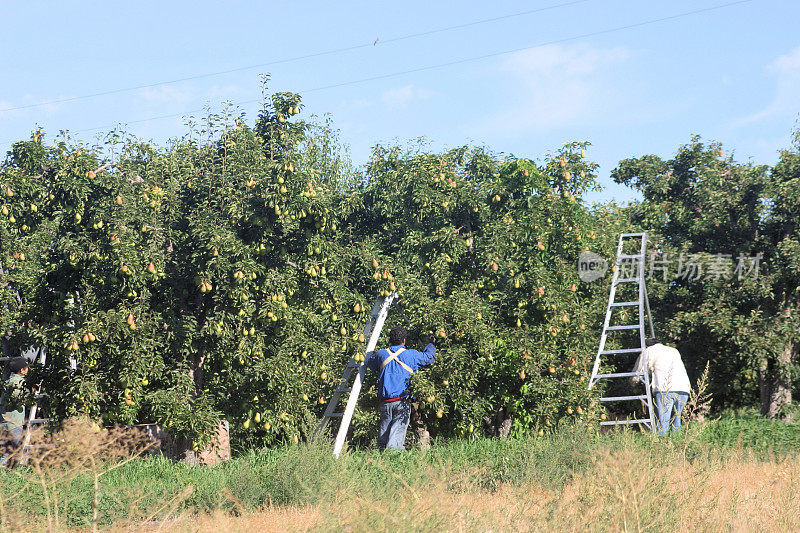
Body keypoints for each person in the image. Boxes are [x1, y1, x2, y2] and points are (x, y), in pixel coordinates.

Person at [365, 327, 435, 450]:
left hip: (385, 402)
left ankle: (380, 456)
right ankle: (392, 458)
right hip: (402, 401)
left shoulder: (381, 354)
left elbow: (370, 363)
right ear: (404, 340)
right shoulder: (411, 354)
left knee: (384, 431)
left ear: (389, 340)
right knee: (397, 432)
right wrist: (431, 343)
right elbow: (428, 358)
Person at [633, 338, 691, 436]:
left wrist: (633, 384)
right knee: (676, 422)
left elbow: (638, 373)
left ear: (646, 346)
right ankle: (677, 446)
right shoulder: (673, 350)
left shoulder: (647, 351)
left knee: (662, 424)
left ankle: (660, 447)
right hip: (683, 389)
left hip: (665, 389)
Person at [1, 357, 29, 459]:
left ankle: (5, 472)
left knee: (6, 451)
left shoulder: (10, 380)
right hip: (13, 423)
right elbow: (18, 398)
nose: (28, 369)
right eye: (27, 367)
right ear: (22, 370)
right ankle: (15, 470)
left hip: (7, 421)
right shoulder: (17, 382)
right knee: (16, 449)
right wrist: (30, 394)